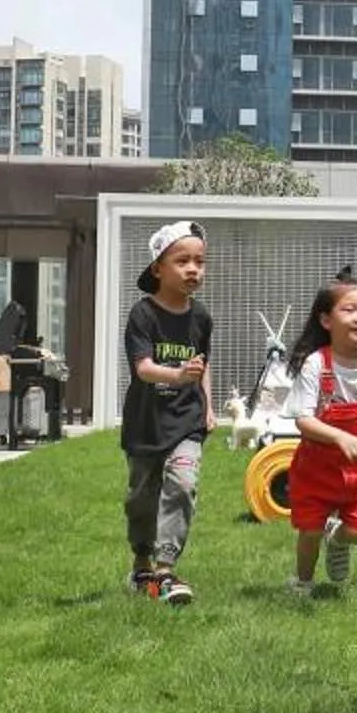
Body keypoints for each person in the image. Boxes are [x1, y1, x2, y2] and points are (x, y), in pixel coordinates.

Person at [284, 268, 357, 597]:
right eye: (349, 310)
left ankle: (339, 540)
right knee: (309, 529)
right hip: (316, 465)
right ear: (326, 321)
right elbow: (303, 420)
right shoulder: (316, 364)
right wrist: (339, 437)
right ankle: (302, 583)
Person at [121, 220, 214, 605]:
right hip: (146, 424)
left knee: (182, 484)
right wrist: (177, 375)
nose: (193, 269)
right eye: (182, 261)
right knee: (142, 498)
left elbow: (202, 366)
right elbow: (143, 369)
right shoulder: (143, 315)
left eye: (200, 261)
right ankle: (141, 563)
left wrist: (206, 406)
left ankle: (165, 571)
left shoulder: (202, 317)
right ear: (158, 268)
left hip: (186, 421)